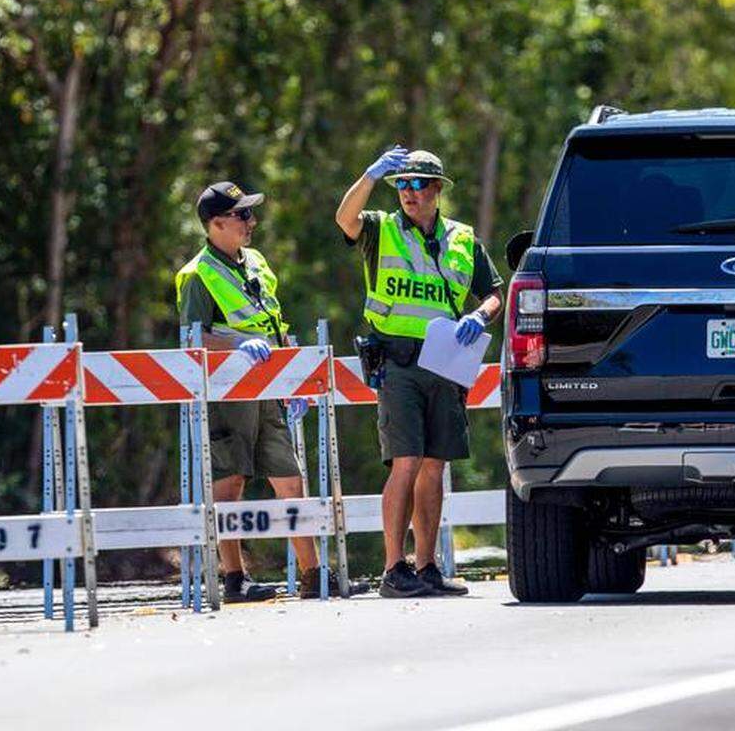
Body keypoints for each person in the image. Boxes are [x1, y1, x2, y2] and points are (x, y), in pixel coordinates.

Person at [177, 181, 368, 601]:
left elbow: (272, 322)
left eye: (250, 213)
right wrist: (236, 346)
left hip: (270, 386)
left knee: (290, 478)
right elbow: (193, 339)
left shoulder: (256, 262)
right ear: (216, 224)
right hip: (228, 392)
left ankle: (314, 576)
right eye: (242, 215)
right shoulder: (197, 275)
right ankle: (233, 579)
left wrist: (292, 374)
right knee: (230, 482)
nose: (252, 221)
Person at [335, 149, 503, 597]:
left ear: (436, 189)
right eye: (402, 185)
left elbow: (494, 293)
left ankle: (427, 566)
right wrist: (370, 175)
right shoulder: (381, 228)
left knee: (435, 465)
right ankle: (394, 569)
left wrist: (480, 317)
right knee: (405, 462)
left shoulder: (463, 239)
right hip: (397, 363)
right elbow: (344, 218)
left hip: (446, 362)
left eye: (417, 184)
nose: (408, 193)